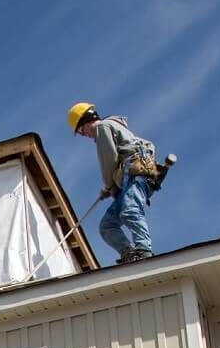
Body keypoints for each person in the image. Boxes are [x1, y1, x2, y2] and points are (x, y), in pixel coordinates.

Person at [67, 103, 158, 264]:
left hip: (134, 175)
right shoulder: (114, 127)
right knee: (107, 226)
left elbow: (108, 159)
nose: (85, 135)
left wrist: (109, 185)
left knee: (130, 211)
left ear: (86, 121)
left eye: (81, 131)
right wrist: (111, 188)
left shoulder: (103, 128)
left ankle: (144, 249)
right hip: (130, 178)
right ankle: (129, 252)